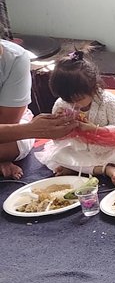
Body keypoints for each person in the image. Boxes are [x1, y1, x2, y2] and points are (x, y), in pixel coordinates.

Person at [35, 50, 115, 185]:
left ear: (93, 88)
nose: (73, 104)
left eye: (79, 99)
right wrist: (61, 127)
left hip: (113, 148)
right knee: (58, 156)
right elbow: (57, 140)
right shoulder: (61, 104)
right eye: (67, 99)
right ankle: (105, 169)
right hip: (82, 150)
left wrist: (94, 129)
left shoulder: (109, 101)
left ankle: (82, 169)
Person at [0, 37, 75, 179]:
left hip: (8, 132)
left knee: (12, 144)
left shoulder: (14, 57)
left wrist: (27, 130)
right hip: (14, 132)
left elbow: (7, 122)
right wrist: (30, 130)